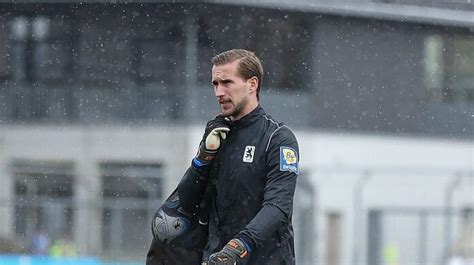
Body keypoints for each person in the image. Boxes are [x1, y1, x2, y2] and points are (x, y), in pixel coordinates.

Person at [178, 49, 300, 265]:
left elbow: (277, 207)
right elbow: (187, 203)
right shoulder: (216, 134)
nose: (219, 92)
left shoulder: (278, 138)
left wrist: (237, 247)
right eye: (215, 84)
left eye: (227, 82)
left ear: (252, 84)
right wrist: (201, 161)